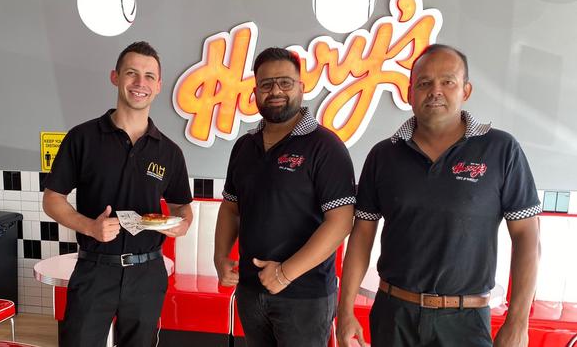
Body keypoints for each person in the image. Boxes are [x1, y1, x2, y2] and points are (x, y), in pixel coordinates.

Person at [337, 44, 540, 347]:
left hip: (465, 323)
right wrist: (344, 312)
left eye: (448, 81)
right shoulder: (383, 155)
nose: (435, 91)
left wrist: (518, 322)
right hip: (394, 317)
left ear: (466, 90)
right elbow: (362, 235)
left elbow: (527, 237)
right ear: (409, 93)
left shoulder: (501, 150)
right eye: (424, 83)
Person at [42, 41, 193, 347]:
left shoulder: (170, 152)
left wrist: (181, 225)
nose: (140, 83)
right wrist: (89, 227)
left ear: (159, 85)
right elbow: (52, 199)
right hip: (94, 268)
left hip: (148, 271)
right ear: (115, 77)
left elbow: (182, 207)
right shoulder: (82, 138)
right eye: (131, 73)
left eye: (149, 76)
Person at [214, 47, 356, 347]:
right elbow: (230, 208)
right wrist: (220, 257)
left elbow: (341, 221)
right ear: (255, 92)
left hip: (305, 296)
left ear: (301, 87)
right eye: (266, 84)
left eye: (285, 82)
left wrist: (285, 273)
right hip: (251, 291)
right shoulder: (244, 147)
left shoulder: (325, 147)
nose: (275, 90)